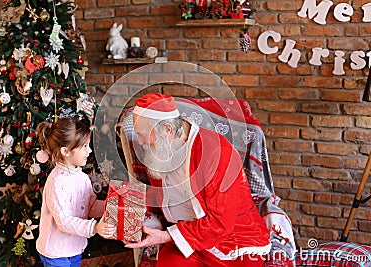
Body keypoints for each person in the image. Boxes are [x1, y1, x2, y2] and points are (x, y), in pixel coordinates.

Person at [125, 93, 271, 267]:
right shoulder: (162, 151)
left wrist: (167, 236)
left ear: (168, 130)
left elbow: (221, 223)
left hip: (234, 241)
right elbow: (163, 196)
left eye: (143, 134)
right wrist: (120, 200)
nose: (140, 142)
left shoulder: (215, 152)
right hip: (189, 238)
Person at [35, 117, 115, 267]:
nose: (89, 150)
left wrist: (109, 206)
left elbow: (89, 206)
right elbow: (64, 222)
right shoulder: (56, 182)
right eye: (84, 146)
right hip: (56, 252)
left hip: (74, 248)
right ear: (65, 151)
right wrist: (94, 228)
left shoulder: (83, 178)